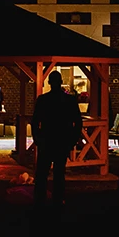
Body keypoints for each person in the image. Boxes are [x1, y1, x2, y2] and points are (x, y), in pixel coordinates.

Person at [32, 70, 83, 206]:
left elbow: (35, 121)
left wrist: (37, 138)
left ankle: (40, 199)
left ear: (49, 83)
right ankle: (58, 199)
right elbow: (78, 122)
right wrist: (73, 140)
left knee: (42, 173)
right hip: (62, 140)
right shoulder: (70, 100)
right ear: (61, 82)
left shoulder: (43, 100)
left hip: (47, 140)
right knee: (59, 173)